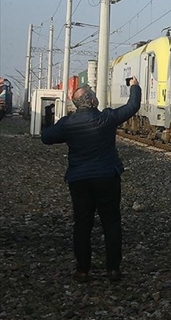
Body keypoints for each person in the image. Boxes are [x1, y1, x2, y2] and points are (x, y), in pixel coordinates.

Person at [40, 79, 142, 283]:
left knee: (82, 223)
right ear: (94, 101)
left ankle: (82, 270)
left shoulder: (68, 124)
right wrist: (134, 87)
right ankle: (113, 269)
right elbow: (133, 106)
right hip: (106, 176)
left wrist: (49, 117)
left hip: (79, 179)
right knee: (111, 222)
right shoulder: (107, 118)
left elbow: (46, 137)